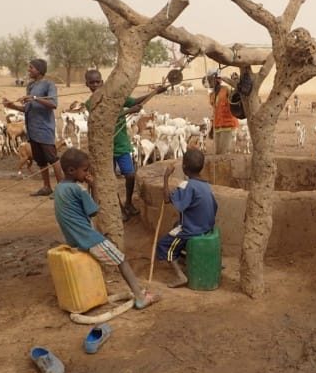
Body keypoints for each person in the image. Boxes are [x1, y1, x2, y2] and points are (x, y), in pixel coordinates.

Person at [53, 147, 161, 309]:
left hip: (73, 238)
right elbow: (94, 211)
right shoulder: (78, 189)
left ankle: (102, 293)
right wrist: (94, 186)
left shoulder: (60, 188)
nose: (87, 173)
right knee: (121, 259)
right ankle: (140, 297)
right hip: (88, 238)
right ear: (71, 170)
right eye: (85, 170)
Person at [84, 69, 168, 221]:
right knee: (109, 180)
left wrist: (155, 92)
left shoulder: (115, 97)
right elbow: (104, 119)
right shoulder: (90, 103)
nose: (95, 85)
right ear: (87, 84)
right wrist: (129, 112)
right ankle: (118, 208)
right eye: (92, 82)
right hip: (105, 147)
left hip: (121, 144)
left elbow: (135, 101)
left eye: (98, 81)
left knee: (129, 175)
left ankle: (128, 202)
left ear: (103, 82)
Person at [157, 148, 218, 288]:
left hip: (193, 228)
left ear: (184, 167)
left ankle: (180, 275)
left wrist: (166, 177)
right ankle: (187, 257)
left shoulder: (187, 186)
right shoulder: (206, 185)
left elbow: (167, 199)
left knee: (164, 245)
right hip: (206, 226)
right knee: (175, 224)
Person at [3, 59, 63, 196]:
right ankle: (47, 187)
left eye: (31, 68)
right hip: (32, 130)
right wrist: (11, 106)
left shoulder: (49, 84)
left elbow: (54, 104)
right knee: (41, 160)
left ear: (40, 70)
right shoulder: (30, 86)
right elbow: (27, 109)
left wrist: (35, 98)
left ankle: (62, 189)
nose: (29, 70)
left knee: (53, 158)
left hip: (44, 128)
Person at [208, 69, 238, 154]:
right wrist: (211, 128)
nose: (209, 82)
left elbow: (234, 99)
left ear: (216, 80)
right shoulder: (212, 94)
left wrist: (227, 79)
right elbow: (215, 111)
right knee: (218, 152)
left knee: (224, 153)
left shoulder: (226, 90)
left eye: (210, 79)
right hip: (217, 126)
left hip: (228, 125)